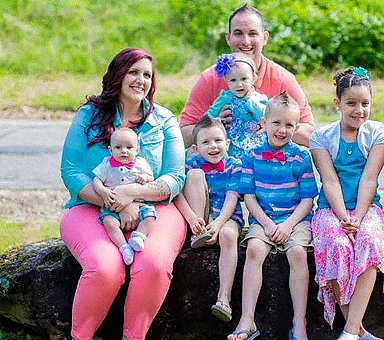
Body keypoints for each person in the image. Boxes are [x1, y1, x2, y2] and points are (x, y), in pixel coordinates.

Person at [59, 47, 186, 340]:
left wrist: (133, 192)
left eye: (147, 75)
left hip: (156, 210)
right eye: (133, 72)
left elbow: (175, 176)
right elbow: (72, 171)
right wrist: (114, 200)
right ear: (118, 75)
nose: (141, 80)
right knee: (105, 268)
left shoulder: (164, 120)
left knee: (153, 264)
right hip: (91, 208)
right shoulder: (88, 116)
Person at [310, 67, 384, 340]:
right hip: (330, 209)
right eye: (351, 103)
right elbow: (329, 181)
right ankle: (356, 330)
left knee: (369, 241)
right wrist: (344, 217)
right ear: (337, 103)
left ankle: (350, 331)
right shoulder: (321, 138)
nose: (359, 110)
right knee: (337, 244)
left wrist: (357, 218)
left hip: (368, 209)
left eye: (365, 104)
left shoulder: (377, 134)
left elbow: (370, 180)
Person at [229, 92, 318, 340]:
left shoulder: (301, 156)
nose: (282, 130)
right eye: (276, 123)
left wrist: (289, 225)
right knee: (255, 250)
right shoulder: (251, 156)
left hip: (296, 219)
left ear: (296, 127)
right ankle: (247, 320)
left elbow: (307, 200)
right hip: (263, 218)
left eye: (289, 125)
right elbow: (249, 198)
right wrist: (268, 225)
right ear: (264, 123)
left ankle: (299, 323)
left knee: (298, 253)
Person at [180, 3, 315, 148]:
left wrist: (274, 128)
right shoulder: (210, 78)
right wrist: (212, 126)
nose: (245, 41)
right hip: (224, 163)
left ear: (264, 37)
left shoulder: (282, 79)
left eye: (253, 34)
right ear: (228, 38)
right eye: (238, 33)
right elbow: (183, 136)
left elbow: (310, 135)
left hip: (268, 162)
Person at [173, 115, 243, 323]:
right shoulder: (190, 163)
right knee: (194, 175)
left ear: (227, 143)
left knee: (229, 236)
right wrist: (193, 218)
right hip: (200, 216)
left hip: (226, 216)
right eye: (206, 142)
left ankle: (224, 297)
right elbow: (176, 195)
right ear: (195, 148)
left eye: (218, 141)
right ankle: (198, 234)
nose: (213, 147)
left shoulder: (234, 165)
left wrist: (219, 223)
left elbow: (232, 198)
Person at [92, 127, 156, 265]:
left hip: (139, 205)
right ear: (110, 150)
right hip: (113, 207)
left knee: (150, 216)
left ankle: (139, 236)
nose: (124, 151)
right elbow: (96, 181)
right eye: (118, 147)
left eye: (129, 147)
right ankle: (123, 247)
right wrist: (103, 191)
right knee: (109, 222)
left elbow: (151, 177)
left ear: (137, 150)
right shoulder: (106, 165)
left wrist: (144, 178)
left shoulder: (140, 164)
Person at [205, 52, 268, 159]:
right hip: (232, 145)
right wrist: (217, 120)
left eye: (244, 79)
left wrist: (250, 101)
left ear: (254, 78)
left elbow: (266, 115)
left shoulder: (259, 99)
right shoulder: (225, 98)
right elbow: (207, 118)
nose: (239, 84)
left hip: (256, 144)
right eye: (233, 80)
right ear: (226, 80)